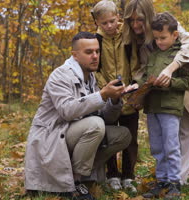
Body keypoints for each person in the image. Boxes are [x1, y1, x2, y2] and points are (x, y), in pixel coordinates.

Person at [122, 0, 189, 185]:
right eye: (131, 20)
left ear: (148, 16)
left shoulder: (166, 24)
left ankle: (178, 179)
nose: (135, 24)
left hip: (187, 72)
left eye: (140, 19)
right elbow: (143, 66)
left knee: (187, 125)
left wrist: (170, 69)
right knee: (168, 134)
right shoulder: (135, 36)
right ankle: (169, 177)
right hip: (161, 87)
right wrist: (138, 84)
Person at [24, 32, 132, 200]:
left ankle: (81, 176)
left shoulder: (90, 78)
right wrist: (102, 95)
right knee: (95, 125)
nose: (95, 56)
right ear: (75, 55)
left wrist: (115, 100)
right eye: (89, 52)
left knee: (123, 134)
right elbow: (67, 111)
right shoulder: (60, 75)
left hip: (74, 133)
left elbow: (106, 118)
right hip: (52, 137)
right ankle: (71, 183)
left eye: (97, 51)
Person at [134, 12, 189, 199]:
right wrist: (137, 86)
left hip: (170, 108)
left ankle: (175, 183)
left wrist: (169, 83)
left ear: (174, 35)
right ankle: (161, 181)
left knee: (171, 145)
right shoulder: (153, 55)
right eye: (157, 38)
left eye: (163, 38)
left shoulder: (180, 56)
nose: (159, 41)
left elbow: (186, 83)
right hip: (152, 108)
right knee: (157, 146)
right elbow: (145, 77)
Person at [91, 0, 140, 193]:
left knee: (131, 137)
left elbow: (136, 62)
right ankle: (112, 174)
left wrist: (134, 85)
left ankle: (128, 175)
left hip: (129, 97)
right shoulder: (97, 41)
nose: (109, 26)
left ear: (118, 17)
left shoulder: (127, 37)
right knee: (109, 137)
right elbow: (96, 69)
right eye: (104, 23)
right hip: (109, 98)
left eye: (112, 21)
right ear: (97, 23)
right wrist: (106, 88)